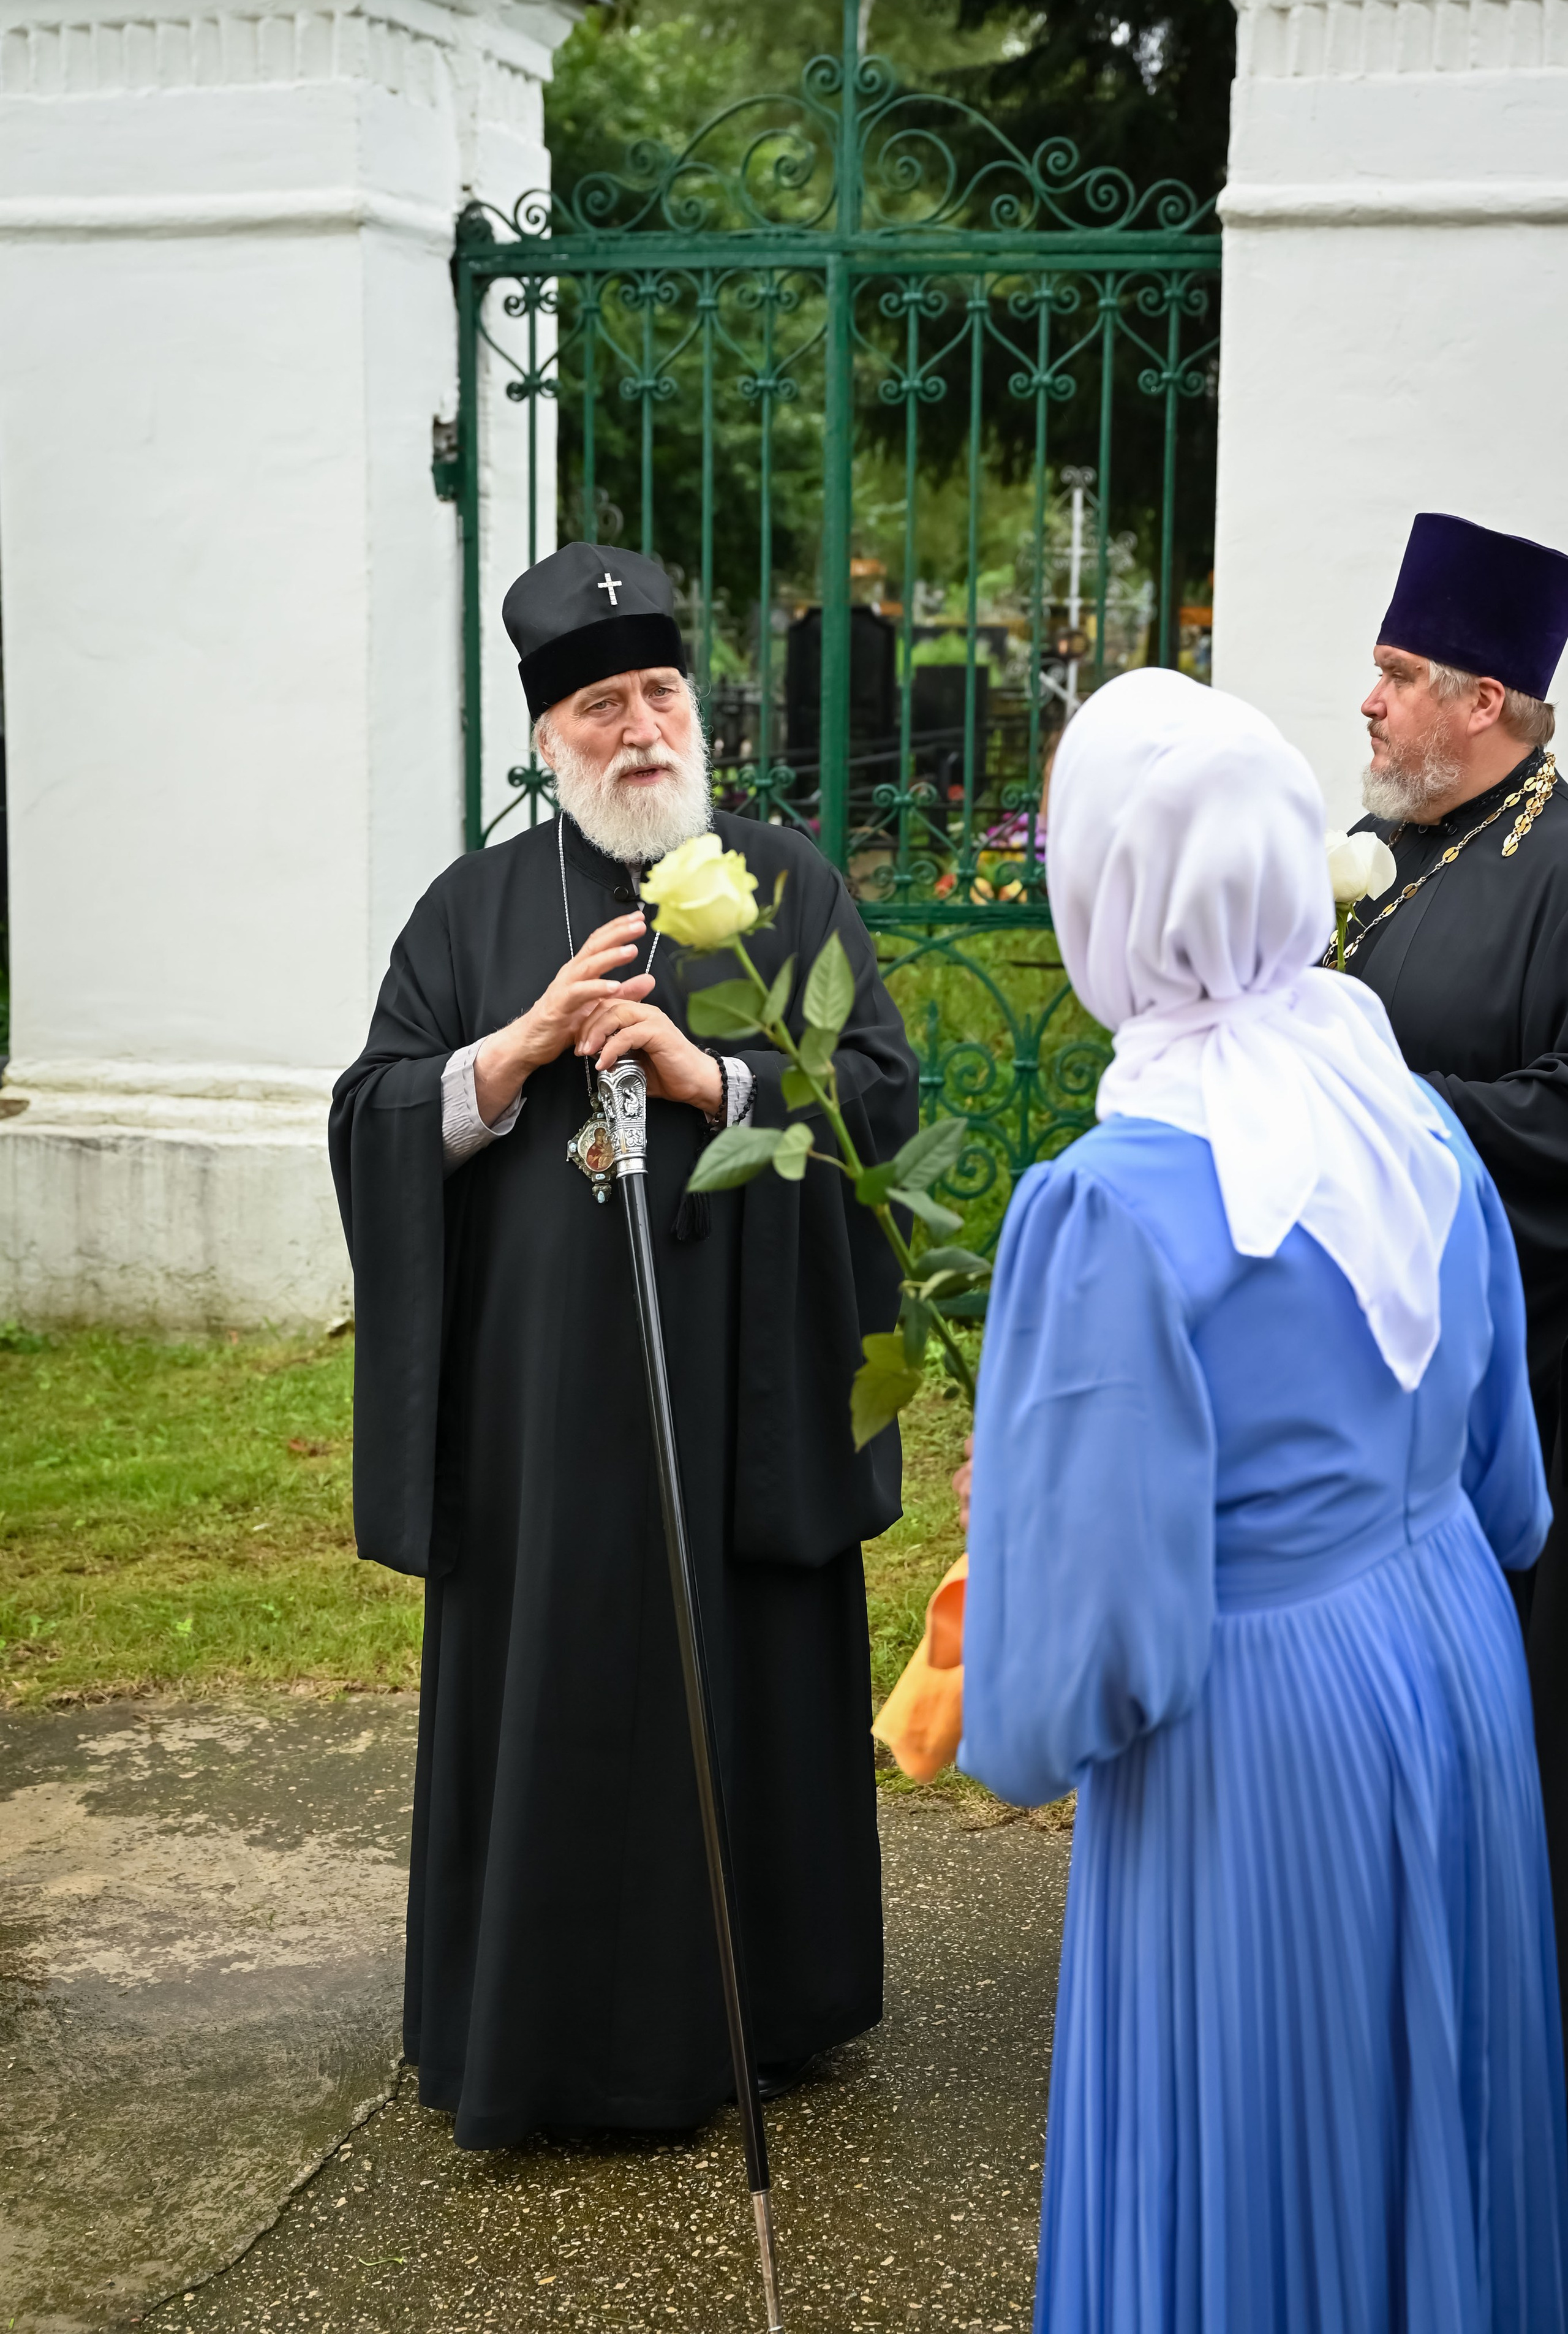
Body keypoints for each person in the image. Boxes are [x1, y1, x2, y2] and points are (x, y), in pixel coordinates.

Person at [960, 668, 1566, 2330]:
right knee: (1447, 2108)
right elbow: (1508, 1491)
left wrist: (987, 1635)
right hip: (1452, 1656)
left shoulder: (1107, 1206)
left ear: (1106, 894)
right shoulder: (1409, 1116)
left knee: (1256, 2167)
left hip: (1261, 1743)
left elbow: (1050, 1704)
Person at [330, 542, 918, 2143]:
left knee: (739, 1667)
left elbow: (880, 1094)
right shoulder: (472, 911)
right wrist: (511, 1050)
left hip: (744, 1393)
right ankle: (536, 2014)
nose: (643, 726)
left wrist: (713, 1079)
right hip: (541, 1421)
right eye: (603, 705)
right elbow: (376, 1109)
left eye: (662, 692)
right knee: (560, 1678)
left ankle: (768, 2007)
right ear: (548, 741)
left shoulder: (785, 884)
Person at [1340, 510, 1568, 2012]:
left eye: (1397, 671)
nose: (1365, 699)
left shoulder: (1558, 861)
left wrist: (1376, 1114)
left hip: (1522, 1378)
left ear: (1483, 701)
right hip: (1368, 1379)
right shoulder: (1382, 856)